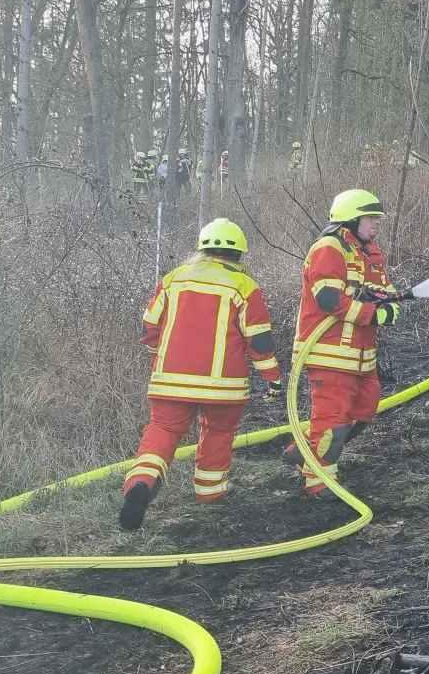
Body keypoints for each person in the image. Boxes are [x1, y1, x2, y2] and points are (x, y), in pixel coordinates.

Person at [119, 219, 283, 530]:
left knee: (163, 431)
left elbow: (148, 328)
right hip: (224, 385)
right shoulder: (244, 286)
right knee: (219, 432)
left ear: (202, 248)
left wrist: (160, 358)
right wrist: (272, 377)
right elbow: (258, 339)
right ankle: (210, 491)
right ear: (238, 255)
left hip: (170, 380)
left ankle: (141, 482)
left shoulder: (173, 279)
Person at [282, 189, 401, 495]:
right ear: (351, 218)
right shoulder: (328, 248)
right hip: (329, 353)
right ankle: (320, 485)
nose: (376, 224)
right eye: (370, 218)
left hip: (362, 357)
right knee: (333, 425)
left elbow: (387, 294)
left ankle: (303, 451)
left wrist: (389, 307)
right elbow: (328, 299)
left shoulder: (369, 254)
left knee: (363, 414)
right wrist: (374, 314)